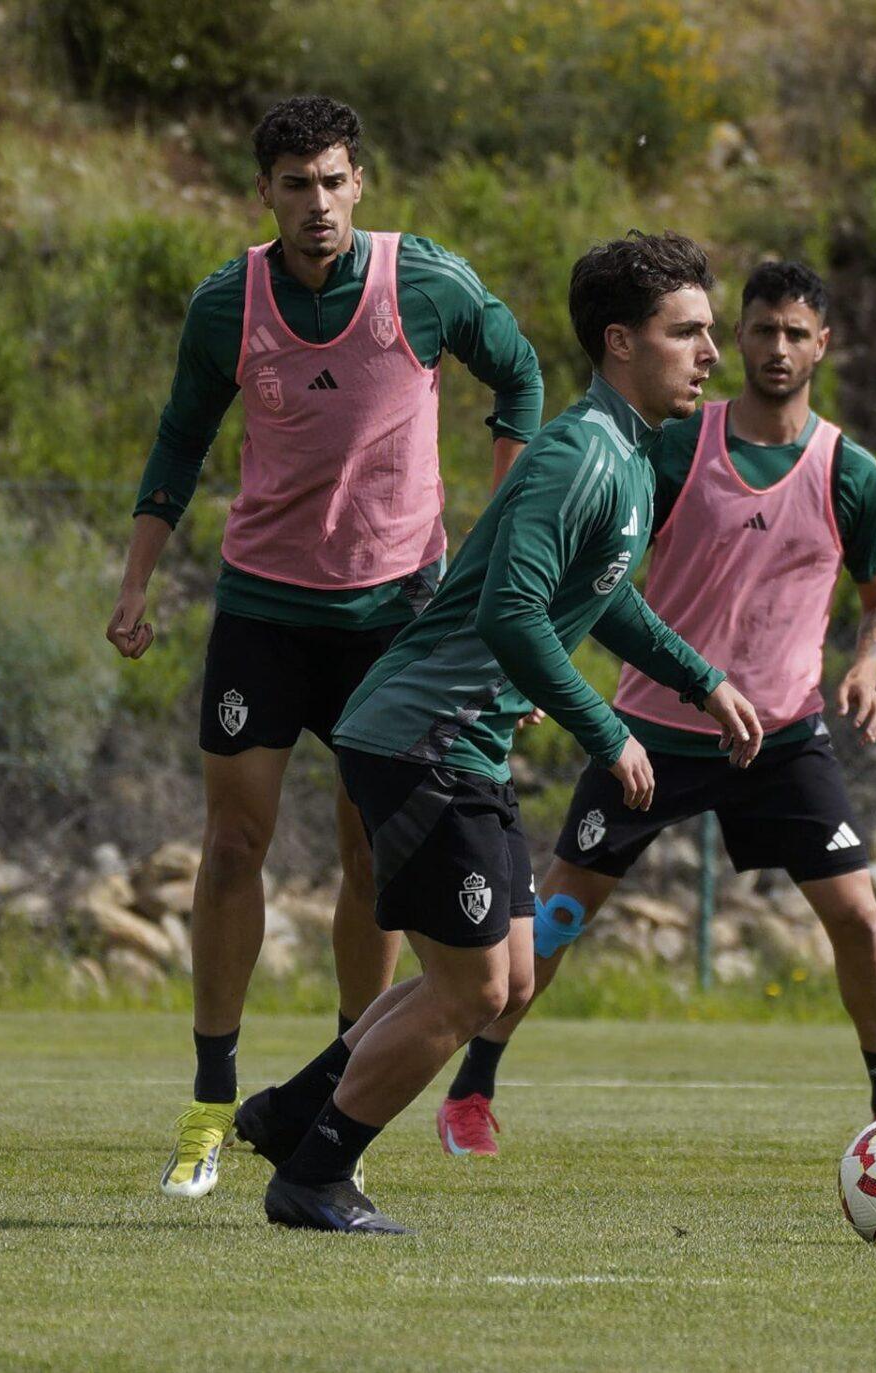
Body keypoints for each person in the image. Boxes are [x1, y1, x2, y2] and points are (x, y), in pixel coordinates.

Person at [240, 231, 765, 1234]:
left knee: (506, 973)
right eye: (685, 331)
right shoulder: (578, 453)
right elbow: (511, 615)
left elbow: (597, 598)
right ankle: (313, 1175)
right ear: (619, 341)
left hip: (457, 740)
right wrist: (610, 730)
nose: (710, 353)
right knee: (475, 986)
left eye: (708, 331)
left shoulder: (628, 453)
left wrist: (701, 680)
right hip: (423, 736)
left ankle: (291, 1110)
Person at [103, 96, 542, 1197]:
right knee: (234, 846)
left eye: (334, 180)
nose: (318, 203)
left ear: (362, 183)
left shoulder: (425, 285)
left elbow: (523, 376)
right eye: (296, 183)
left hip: (396, 621)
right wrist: (136, 579)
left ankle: (337, 1097)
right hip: (263, 611)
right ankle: (210, 1103)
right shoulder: (227, 305)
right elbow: (179, 438)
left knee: (368, 865)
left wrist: (497, 540)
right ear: (266, 193)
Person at [435, 260, 876, 1158]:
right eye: (761, 329)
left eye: (796, 333)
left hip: (783, 732)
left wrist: (869, 668)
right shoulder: (677, 444)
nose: (777, 348)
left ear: (823, 345)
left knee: (858, 918)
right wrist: (544, 678)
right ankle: (472, 1089)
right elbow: (590, 575)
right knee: (561, 919)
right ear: (739, 336)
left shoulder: (851, 471)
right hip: (654, 727)